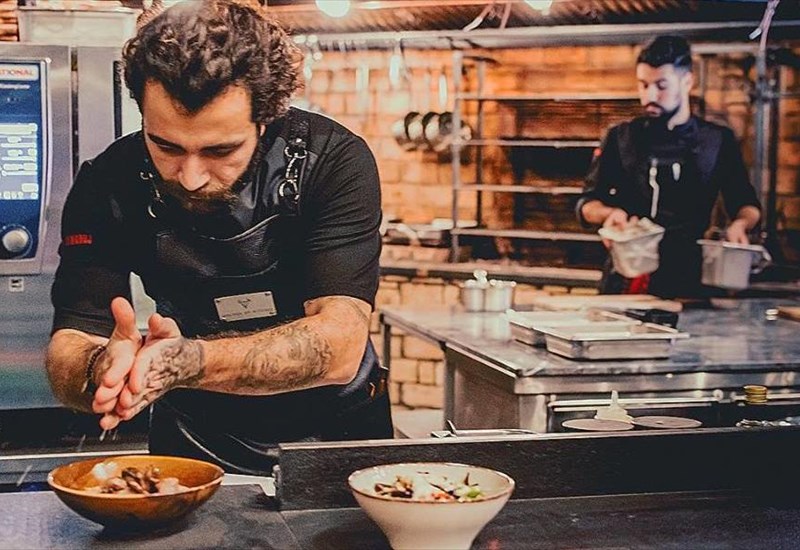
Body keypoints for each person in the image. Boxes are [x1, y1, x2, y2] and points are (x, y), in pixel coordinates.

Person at [45, 0, 392, 475]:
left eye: (220, 150)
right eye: (165, 145)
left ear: (266, 118)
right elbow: (71, 339)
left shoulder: (331, 161)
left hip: (337, 432)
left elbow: (340, 346)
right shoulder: (107, 183)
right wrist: (98, 367)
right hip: (194, 437)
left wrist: (189, 362)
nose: (190, 177)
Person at [577, 35, 762, 298]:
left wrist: (740, 224)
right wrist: (608, 214)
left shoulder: (716, 140)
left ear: (687, 82)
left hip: (691, 280)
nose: (649, 96)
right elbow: (586, 203)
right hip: (628, 276)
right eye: (643, 85)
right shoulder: (621, 137)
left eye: (661, 86)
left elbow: (746, 203)